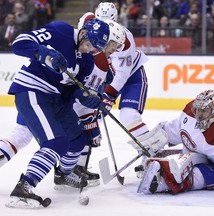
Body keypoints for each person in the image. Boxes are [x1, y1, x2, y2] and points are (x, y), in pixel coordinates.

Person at [0, 16, 126, 189]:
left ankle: (64, 174)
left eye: (94, 48)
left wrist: (84, 96)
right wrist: (42, 52)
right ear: (83, 33)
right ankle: (25, 186)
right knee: (51, 141)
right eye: (88, 45)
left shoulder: (87, 60)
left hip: (55, 99)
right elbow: (20, 42)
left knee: (76, 138)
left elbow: (71, 89)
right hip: (34, 90)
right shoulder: (61, 31)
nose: (88, 50)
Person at [80, 1, 150, 178]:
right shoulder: (87, 22)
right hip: (105, 77)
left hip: (131, 78)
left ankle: (151, 158)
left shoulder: (125, 40)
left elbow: (122, 76)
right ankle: (77, 166)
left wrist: (108, 97)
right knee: (90, 118)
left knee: (128, 116)